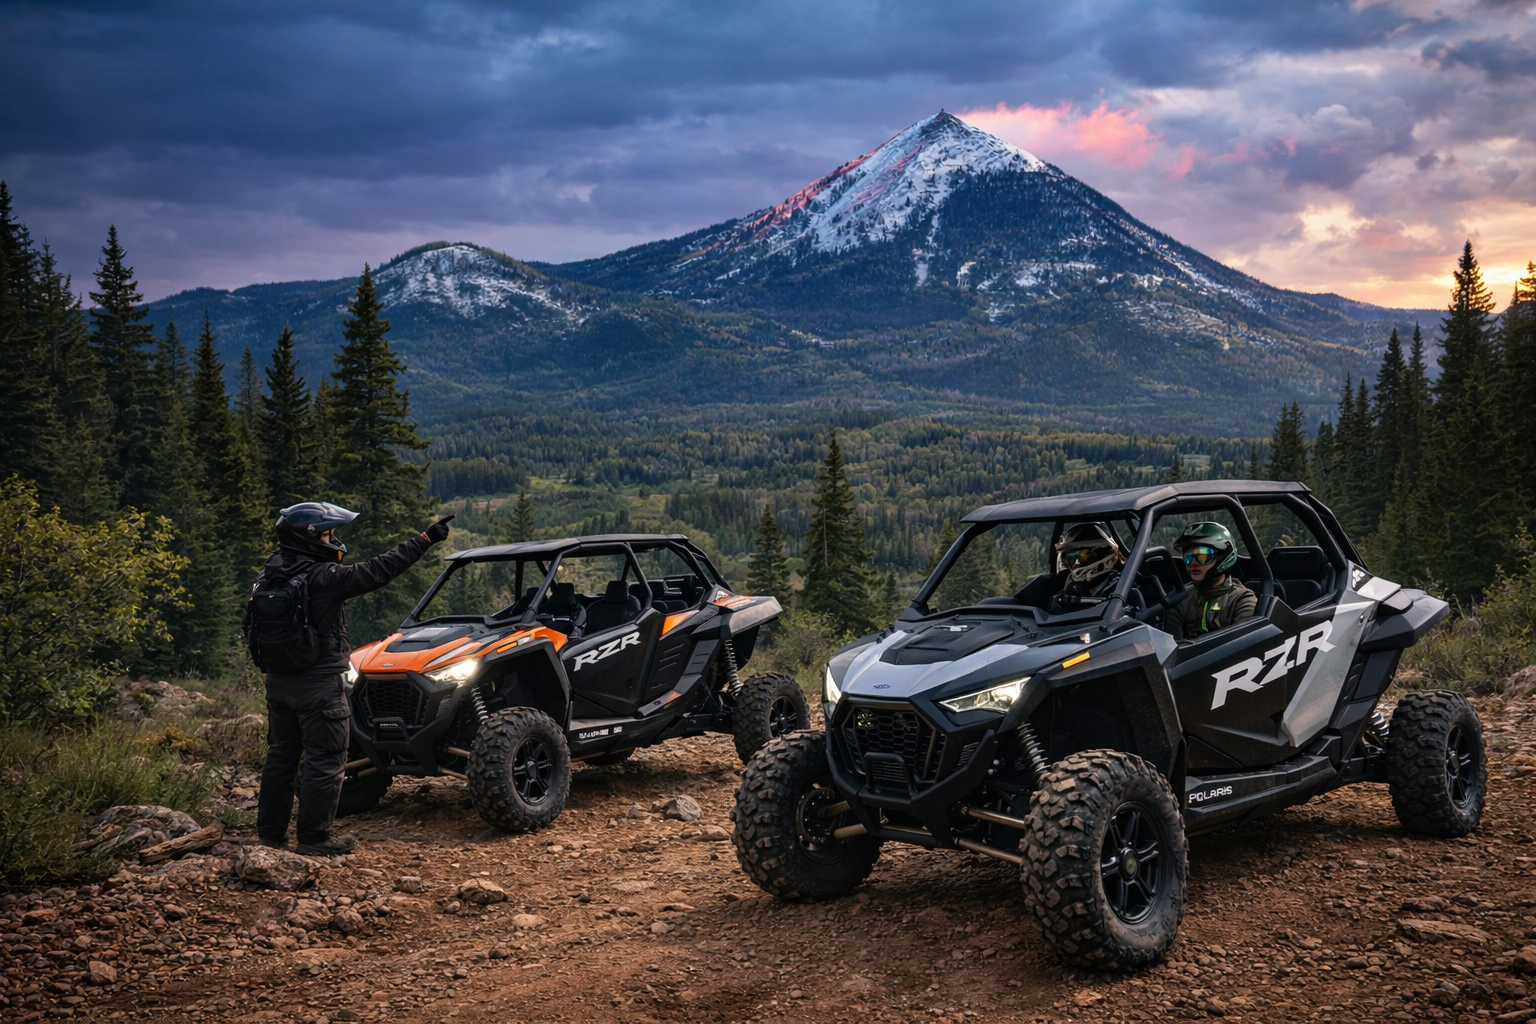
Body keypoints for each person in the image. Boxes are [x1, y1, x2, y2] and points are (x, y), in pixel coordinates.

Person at [253, 502, 454, 856]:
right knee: (326, 757)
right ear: (309, 538)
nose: (334, 540)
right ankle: (314, 838)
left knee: (281, 757)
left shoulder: (268, 576)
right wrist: (424, 539)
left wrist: (268, 668)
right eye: (328, 533)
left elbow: (253, 627)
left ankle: (270, 836)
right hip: (319, 684)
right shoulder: (324, 577)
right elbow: (380, 570)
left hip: (279, 684)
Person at [1166, 521, 1257, 642]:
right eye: (1189, 557)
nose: (1193, 563)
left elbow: (1241, 646)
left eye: (1203, 556)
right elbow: (1170, 646)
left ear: (1223, 557)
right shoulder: (1181, 599)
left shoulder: (1242, 599)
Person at [1048, 522, 1125, 612]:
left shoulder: (1124, 590)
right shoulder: (1063, 596)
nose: (1075, 565)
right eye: (1070, 559)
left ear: (1107, 554)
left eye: (1083, 556)